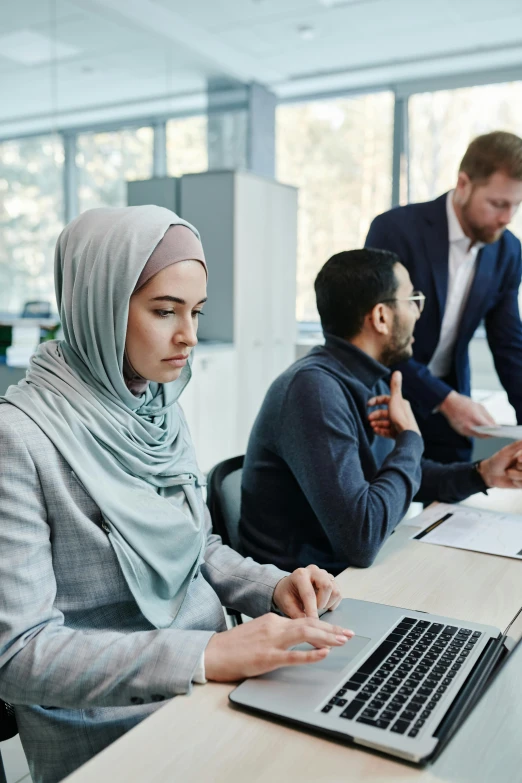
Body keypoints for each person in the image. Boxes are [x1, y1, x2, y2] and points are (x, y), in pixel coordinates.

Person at [0, 206, 353, 783]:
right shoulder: (19, 437)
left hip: (212, 686)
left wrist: (273, 586)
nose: (188, 335)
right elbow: (19, 657)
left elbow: (198, 548)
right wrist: (203, 656)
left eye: (196, 312)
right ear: (103, 304)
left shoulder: (157, 407)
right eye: (165, 311)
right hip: (116, 730)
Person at [239, 248, 522, 575]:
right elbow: (361, 539)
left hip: (350, 577)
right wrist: (411, 438)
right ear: (381, 317)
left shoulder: (366, 377)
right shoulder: (314, 390)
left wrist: (483, 473)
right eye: (412, 300)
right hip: (309, 597)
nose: (419, 313)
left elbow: (390, 478)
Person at [365, 130, 522, 463]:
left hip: (450, 399)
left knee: (455, 499)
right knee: (384, 499)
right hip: (387, 397)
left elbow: (509, 345)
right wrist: (446, 400)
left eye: (516, 205)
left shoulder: (508, 251)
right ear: (463, 184)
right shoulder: (396, 229)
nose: (507, 218)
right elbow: (378, 337)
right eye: (498, 204)